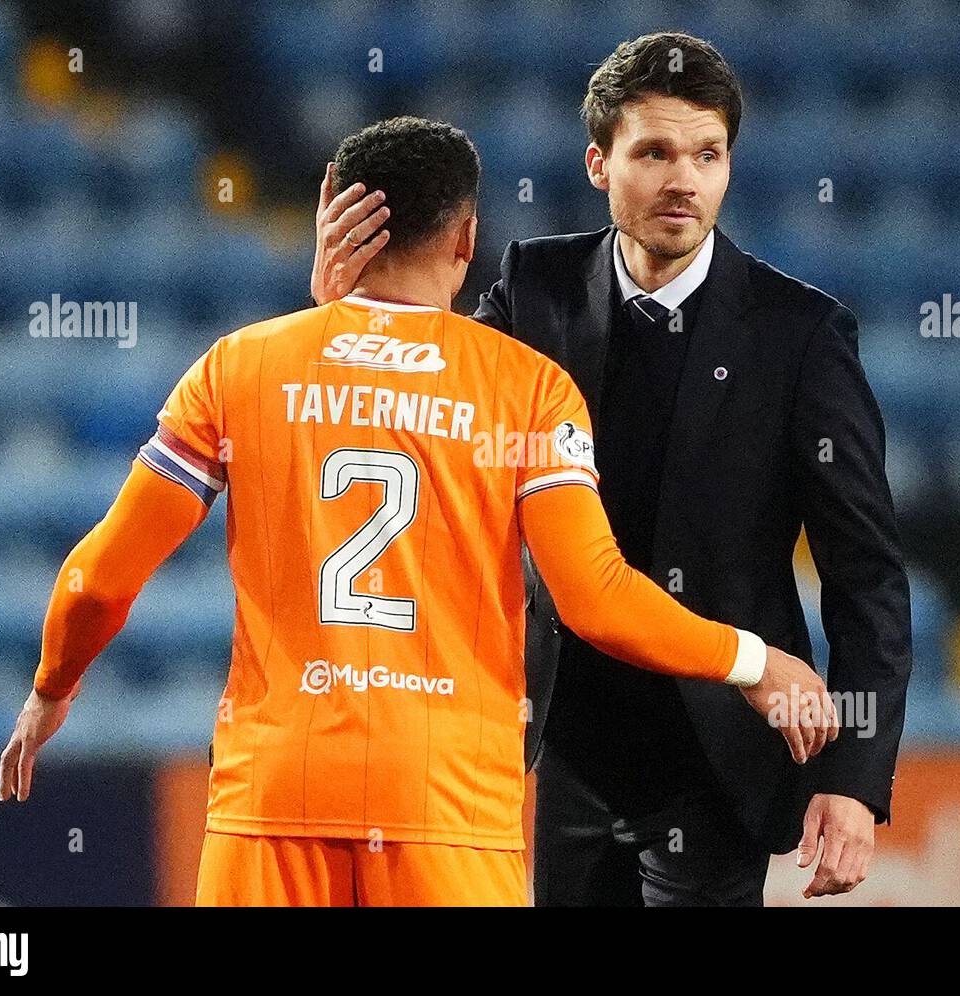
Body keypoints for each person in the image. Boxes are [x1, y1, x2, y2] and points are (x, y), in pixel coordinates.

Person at [0, 115, 835, 907]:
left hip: (275, 792)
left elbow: (100, 576)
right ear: (468, 239)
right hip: (449, 804)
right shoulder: (529, 390)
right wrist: (755, 661)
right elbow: (595, 600)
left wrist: (52, 687)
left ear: (336, 213)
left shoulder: (240, 367)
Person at [311, 33, 912, 906]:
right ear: (599, 162)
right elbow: (416, 427)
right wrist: (340, 321)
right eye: (655, 152)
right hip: (565, 747)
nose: (684, 180)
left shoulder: (802, 336)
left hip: (718, 758)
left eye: (708, 155)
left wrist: (853, 780)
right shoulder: (532, 288)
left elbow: (867, 576)